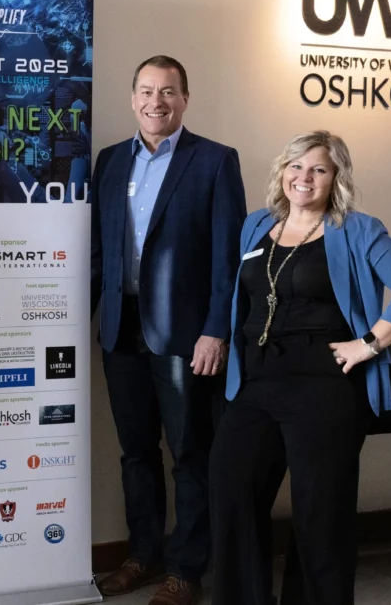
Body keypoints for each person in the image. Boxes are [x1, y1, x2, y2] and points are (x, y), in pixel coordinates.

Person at [210, 131, 391, 605]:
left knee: (320, 515)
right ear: (283, 171)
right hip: (258, 380)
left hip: (326, 385)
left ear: (335, 178)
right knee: (231, 487)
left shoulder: (357, 229)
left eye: (319, 169)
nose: (304, 177)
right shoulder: (257, 225)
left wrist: (370, 343)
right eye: (296, 166)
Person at [90, 55, 246, 605]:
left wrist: (216, 331)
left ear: (185, 98)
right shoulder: (108, 162)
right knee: (135, 451)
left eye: (169, 92)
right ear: (133, 98)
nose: (157, 101)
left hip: (186, 337)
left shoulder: (215, 161)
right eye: (148, 91)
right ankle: (143, 554)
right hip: (120, 329)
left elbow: (230, 259)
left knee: (189, 454)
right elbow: (98, 252)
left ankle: (186, 568)